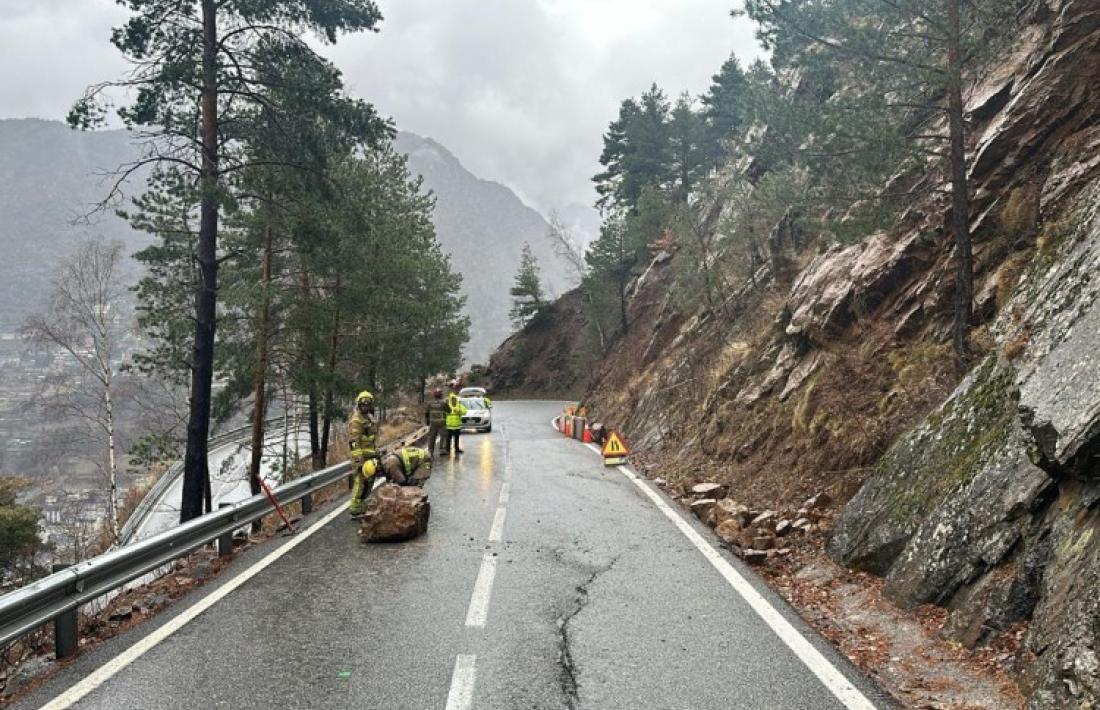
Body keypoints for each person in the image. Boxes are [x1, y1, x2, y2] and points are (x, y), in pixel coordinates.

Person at [349, 447, 432, 518]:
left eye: (377, 474)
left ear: (378, 469)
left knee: (413, 487)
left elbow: (402, 483)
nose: (378, 476)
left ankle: (417, 510)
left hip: (423, 462)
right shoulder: (384, 463)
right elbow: (391, 481)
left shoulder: (390, 466)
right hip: (416, 462)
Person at [348, 390, 378, 517]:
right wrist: (358, 460)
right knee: (360, 481)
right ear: (359, 405)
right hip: (361, 457)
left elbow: (372, 437)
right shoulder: (356, 421)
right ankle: (354, 507)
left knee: (368, 482)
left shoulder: (369, 418)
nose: (365, 406)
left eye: (368, 404)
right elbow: (354, 443)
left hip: (370, 455)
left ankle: (361, 503)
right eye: (363, 404)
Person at [445, 380, 467, 455]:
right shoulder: (448, 403)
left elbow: (464, 411)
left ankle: (455, 449)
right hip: (450, 425)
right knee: (449, 438)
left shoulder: (457, 404)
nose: (454, 400)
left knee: (455, 438)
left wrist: (458, 410)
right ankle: (448, 449)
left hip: (456, 424)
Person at [424, 388, 449, 456]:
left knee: (432, 437)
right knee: (443, 436)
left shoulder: (430, 403)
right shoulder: (444, 403)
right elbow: (449, 411)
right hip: (442, 423)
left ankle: (430, 451)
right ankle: (442, 450)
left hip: (433, 423)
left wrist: (427, 421)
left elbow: (426, 413)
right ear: (441, 395)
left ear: (434, 395)